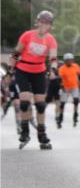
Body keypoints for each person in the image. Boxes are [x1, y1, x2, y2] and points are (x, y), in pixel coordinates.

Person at [11, 11, 58, 149]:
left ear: (50, 25)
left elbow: (53, 58)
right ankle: (25, 131)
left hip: (39, 71)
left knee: (40, 105)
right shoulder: (27, 35)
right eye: (42, 22)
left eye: (47, 23)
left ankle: (41, 134)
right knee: (24, 102)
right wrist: (10, 69)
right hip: (23, 70)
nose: (44, 25)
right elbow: (16, 53)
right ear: (37, 22)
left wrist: (53, 70)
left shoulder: (51, 39)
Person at [58, 52, 80, 127]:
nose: (70, 62)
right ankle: (60, 117)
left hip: (74, 86)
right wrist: (61, 85)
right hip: (65, 87)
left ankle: (75, 115)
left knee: (76, 101)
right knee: (62, 104)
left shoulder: (75, 66)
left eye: (71, 60)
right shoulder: (62, 68)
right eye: (68, 60)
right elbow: (60, 78)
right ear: (65, 61)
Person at [45, 62, 62, 127]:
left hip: (58, 89)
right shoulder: (50, 72)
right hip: (51, 88)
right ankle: (41, 111)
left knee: (58, 102)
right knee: (47, 101)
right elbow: (49, 77)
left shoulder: (61, 72)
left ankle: (57, 115)